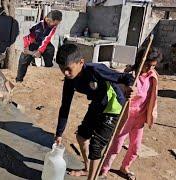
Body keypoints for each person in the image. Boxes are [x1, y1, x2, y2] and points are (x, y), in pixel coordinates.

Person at [54, 44, 135, 180]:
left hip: (113, 105)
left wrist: (131, 87)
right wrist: (59, 133)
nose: (66, 73)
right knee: (81, 136)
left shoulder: (95, 70)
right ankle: (87, 168)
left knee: (96, 146)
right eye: (62, 69)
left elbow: (125, 77)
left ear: (81, 62)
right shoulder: (69, 81)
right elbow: (65, 106)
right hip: (97, 104)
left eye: (68, 69)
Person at [101, 48, 161, 180]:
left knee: (135, 147)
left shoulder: (152, 76)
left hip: (140, 118)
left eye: (153, 66)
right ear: (141, 61)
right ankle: (104, 170)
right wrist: (126, 87)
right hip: (126, 116)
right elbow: (117, 85)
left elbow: (152, 96)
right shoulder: (129, 75)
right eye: (148, 64)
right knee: (116, 145)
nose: (150, 68)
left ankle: (125, 167)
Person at [15, 10, 62, 82]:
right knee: (24, 58)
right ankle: (19, 79)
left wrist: (39, 51)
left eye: (57, 24)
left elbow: (47, 39)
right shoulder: (37, 25)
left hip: (42, 42)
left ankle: (48, 68)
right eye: (55, 24)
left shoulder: (53, 26)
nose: (55, 26)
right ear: (49, 20)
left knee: (50, 49)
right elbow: (26, 36)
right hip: (32, 42)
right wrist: (27, 47)